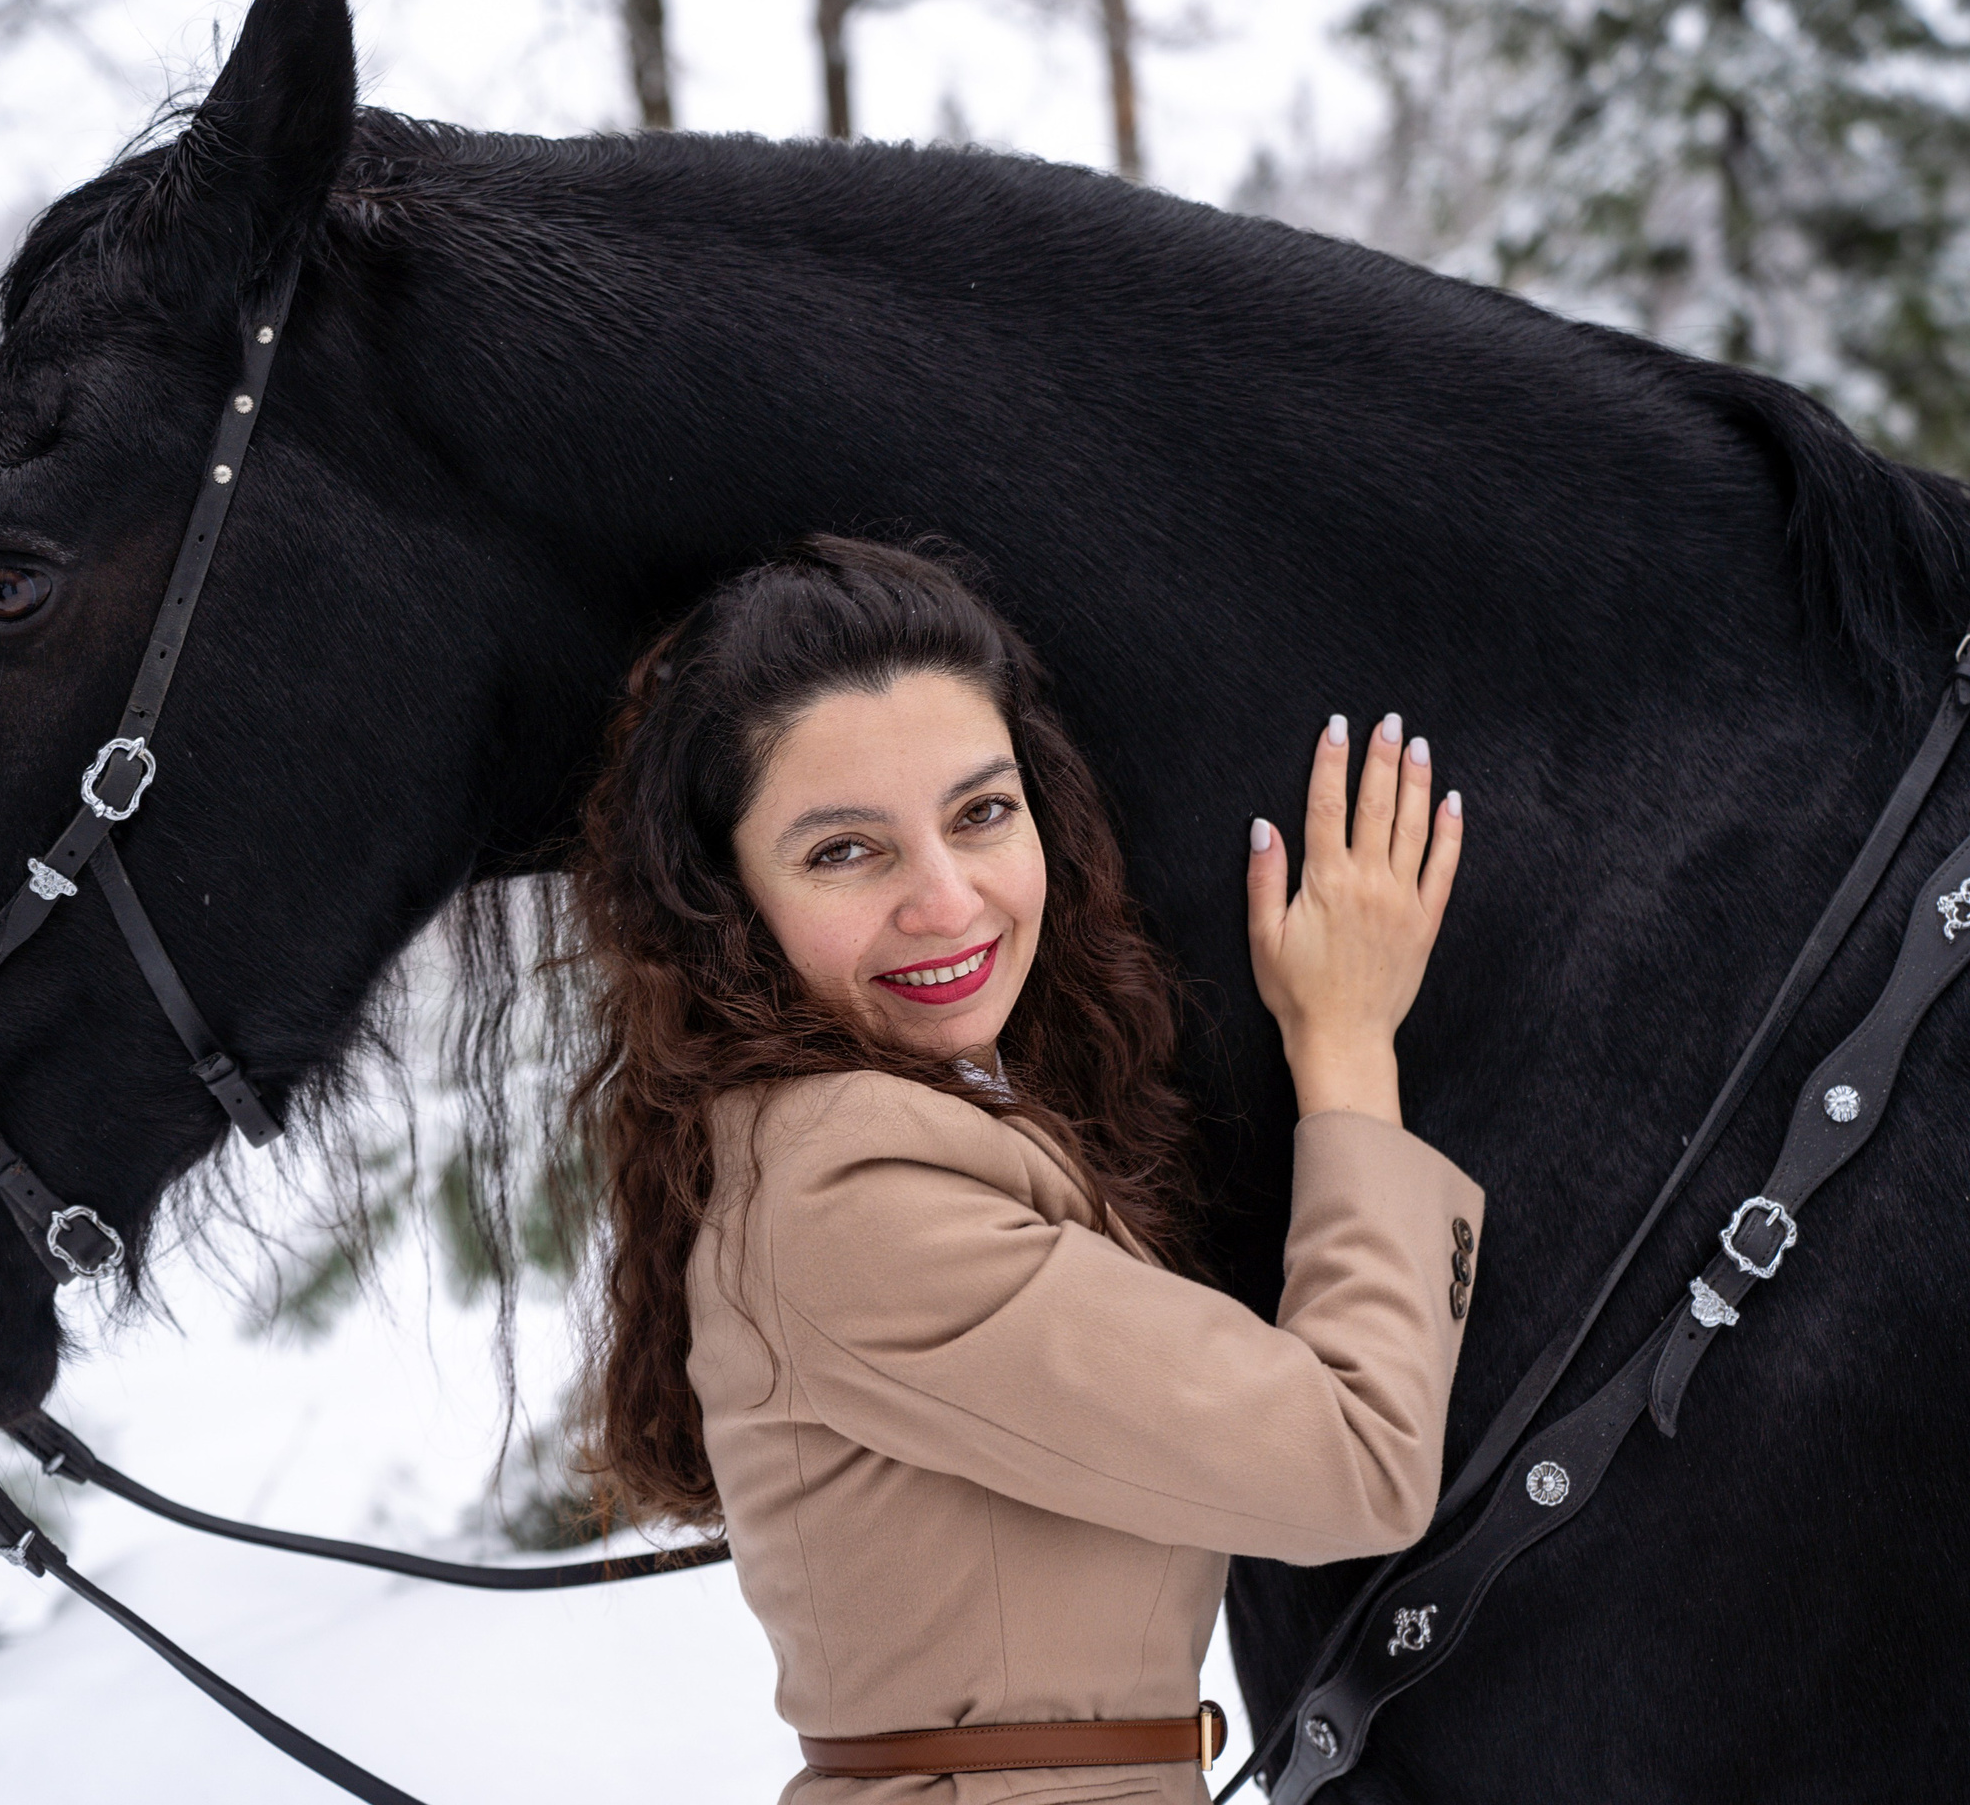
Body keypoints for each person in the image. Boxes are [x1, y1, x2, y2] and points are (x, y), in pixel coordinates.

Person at [567, 538, 1482, 1804]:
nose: (947, 902)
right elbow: (1357, 1465)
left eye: (981, 814)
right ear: (728, 904)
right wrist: (1345, 1039)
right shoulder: (853, 1193)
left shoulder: (921, 1127)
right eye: (845, 851)